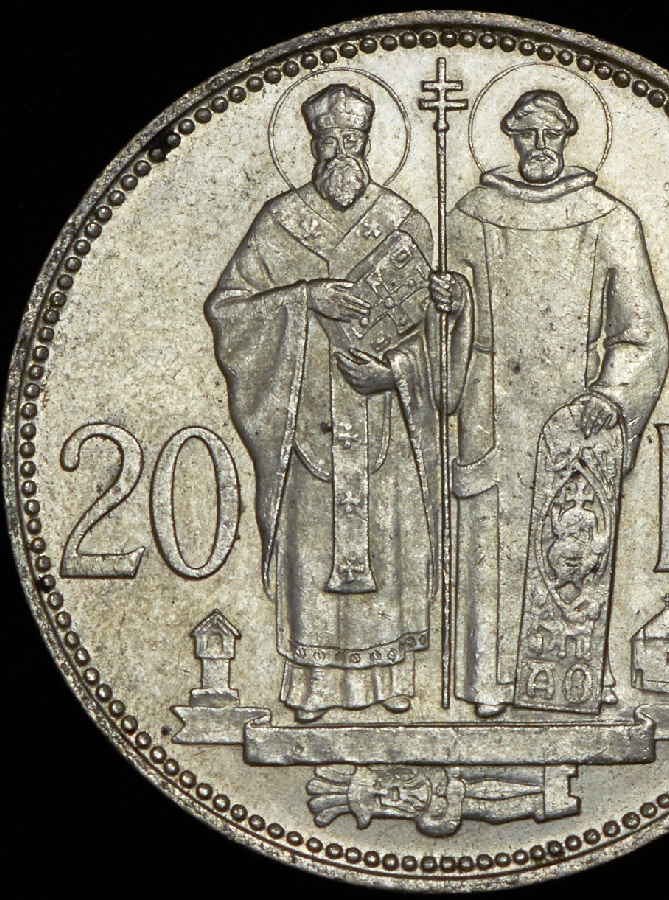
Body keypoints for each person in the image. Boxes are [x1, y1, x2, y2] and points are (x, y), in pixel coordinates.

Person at [431, 89, 669, 717]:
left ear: (567, 137)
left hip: (572, 413)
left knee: (575, 543)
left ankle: (581, 678)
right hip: (488, 406)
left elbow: (641, 332)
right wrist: (450, 309)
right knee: (490, 543)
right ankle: (488, 680)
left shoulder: (610, 220)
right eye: (527, 134)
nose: (539, 146)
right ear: (511, 137)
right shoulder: (469, 215)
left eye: (551, 134)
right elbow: (439, 325)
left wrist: (610, 394)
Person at [205, 84, 439, 722]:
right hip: (307, 423)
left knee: (390, 547)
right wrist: (305, 297)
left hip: (385, 422)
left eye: (351, 139)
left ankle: (392, 680)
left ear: (368, 144)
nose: (340, 152)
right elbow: (229, 311)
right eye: (328, 140)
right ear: (312, 145)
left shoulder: (403, 221)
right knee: (310, 553)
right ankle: (311, 688)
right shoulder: (278, 221)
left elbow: (441, 339)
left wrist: (398, 371)